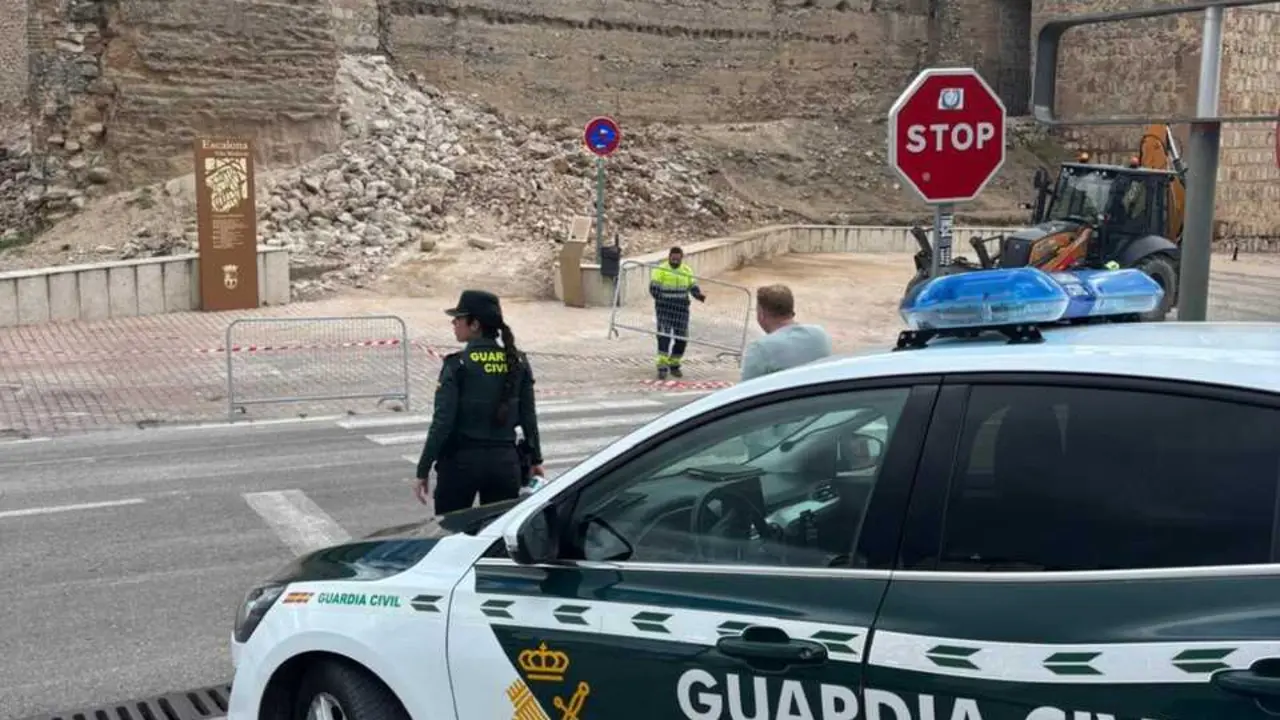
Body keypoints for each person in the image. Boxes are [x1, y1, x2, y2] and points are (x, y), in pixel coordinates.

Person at [413, 289, 544, 514]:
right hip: (504, 464)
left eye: (459, 318)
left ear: (475, 325)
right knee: (495, 536)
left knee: (449, 536)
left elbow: (442, 422)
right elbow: (528, 417)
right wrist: (536, 459)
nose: (453, 323)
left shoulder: (458, 364)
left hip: (460, 465)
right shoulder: (517, 361)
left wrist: (422, 470)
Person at [741, 284, 832, 381]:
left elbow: (747, 390)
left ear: (761, 315)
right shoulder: (820, 335)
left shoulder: (760, 349)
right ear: (791, 310)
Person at [649, 246, 706, 380]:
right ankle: (662, 366)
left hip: (681, 310)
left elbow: (692, 286)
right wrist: (659, 298)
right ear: (669, 257)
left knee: (682, 338)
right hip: (664, 309)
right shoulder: (661, 269)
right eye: (672, 258)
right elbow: (653, 288)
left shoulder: (686, 270)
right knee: (664, 336)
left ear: (681, 258)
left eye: (677, 259)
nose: (674, 261)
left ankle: (674, 363)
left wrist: (698, 295)